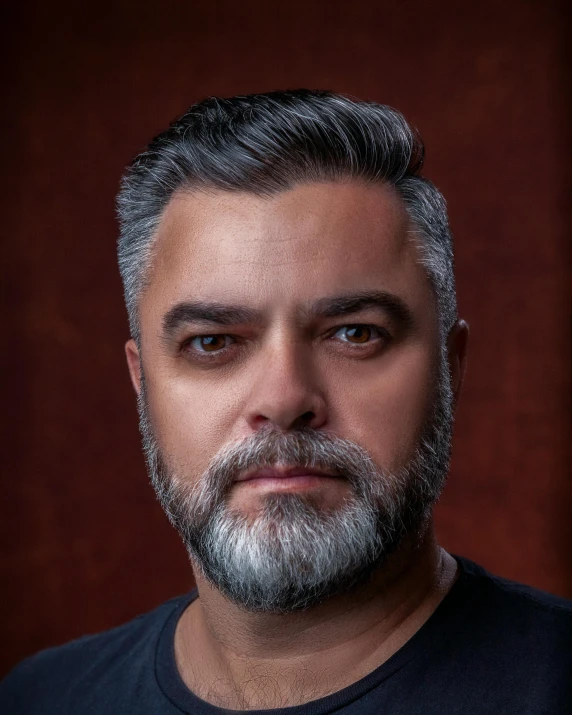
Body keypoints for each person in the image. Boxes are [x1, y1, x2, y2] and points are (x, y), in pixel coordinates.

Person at [1, 89, 570, 714]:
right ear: (143, 383)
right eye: (213, 342)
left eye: (355, 333)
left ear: (449, 368)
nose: (283, 399)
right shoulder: (40, 699)